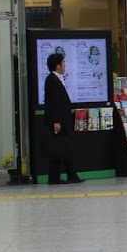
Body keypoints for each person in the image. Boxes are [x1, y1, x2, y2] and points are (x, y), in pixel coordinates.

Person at [42, 51, 83, 185]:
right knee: (58, 149)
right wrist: (56, 121)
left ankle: (71, 175)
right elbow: (52, 103)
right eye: (63, 63)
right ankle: (54, 177)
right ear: (58, 65)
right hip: (58, 121)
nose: (65, 65)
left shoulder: (58, 79)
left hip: (64, 120)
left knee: (66, 148)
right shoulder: (51, 80)